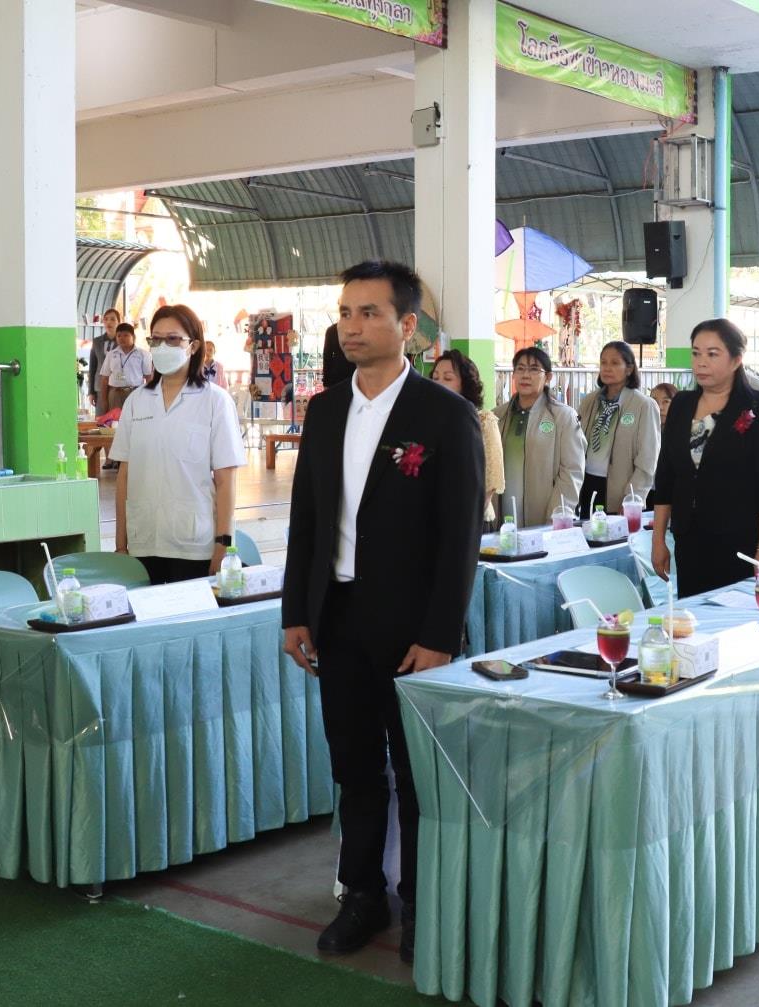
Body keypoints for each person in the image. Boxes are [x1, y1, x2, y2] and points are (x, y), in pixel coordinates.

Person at [281, 260, 482, 964]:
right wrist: (296, 612)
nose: (353, 326)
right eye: (345, 312)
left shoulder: (445, 415)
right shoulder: (325, 409)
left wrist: (440, 635)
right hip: (337, 618)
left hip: (412, 631)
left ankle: (422, 901)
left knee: (418, 774)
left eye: (369, 312)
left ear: (408, 326)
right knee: (355, 766)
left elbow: (460, 538)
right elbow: (306, 520)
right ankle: (362, 895)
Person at [111, 304, 244, 585]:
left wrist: (223, 544)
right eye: (156, 340)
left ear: (193, 346)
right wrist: (121, 544)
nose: (162, 347)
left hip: (195, 545)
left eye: (172, 339)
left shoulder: (215, 401)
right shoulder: (137, 401)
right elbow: (124, 476)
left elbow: (226, 480)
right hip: (144, 542)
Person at [651, 318, 759, 597]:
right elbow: (666, 476)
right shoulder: (682, 404)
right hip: (688, 536)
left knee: (735, 613)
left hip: (739, 538)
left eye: (712, 354)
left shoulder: (757, 406)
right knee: (692, 613)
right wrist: (658, 539)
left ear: (736, 360)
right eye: (696, 353)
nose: (701, 362)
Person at [492, 346, 584, 527]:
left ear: (548, 377)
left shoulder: (563, 416)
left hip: (544, 518)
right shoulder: (497, 416)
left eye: (534, 369)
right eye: (520, 369)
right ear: (514, 375)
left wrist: (558, 514)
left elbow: (572, 471)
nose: (525, 375)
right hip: (501, 519)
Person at [576, 340, 660, 515]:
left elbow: (648, 457)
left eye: (615, 363)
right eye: (603, 362)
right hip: (587, 484)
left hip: (621, 490)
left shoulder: (644, 405)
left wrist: (633, 497)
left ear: (629, 369)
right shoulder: (589, 401)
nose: (607, 368)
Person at [431, 348, 504, 524]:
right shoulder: (428, 420)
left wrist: (465, 519)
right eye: (435, 378)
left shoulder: (483, 421)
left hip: (472, 519)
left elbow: (491, 482)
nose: (439, 383)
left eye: (448, 378)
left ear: (465, 384)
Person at [87, 308, 120, 408]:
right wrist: (91, 392)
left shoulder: (123, 342)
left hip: (118, 388)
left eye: (112, 319)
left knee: (117, 416)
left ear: (119, 322)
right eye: (106, 319)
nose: (108, 322)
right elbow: (92, 368)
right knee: (101, 417)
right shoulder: (96, 342)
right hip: (99, 388)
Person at [320, 320, 355, 388]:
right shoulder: (358, 330)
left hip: (336, 376)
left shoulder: (331, 330)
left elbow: (327, 357)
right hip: (353, 375)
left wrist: (326, 383)